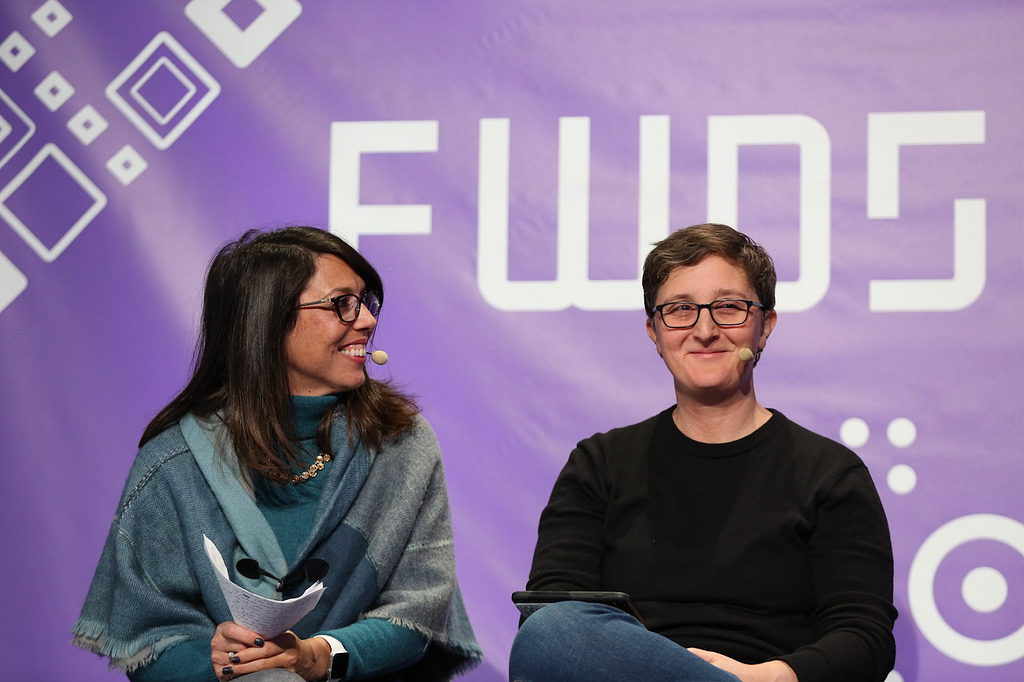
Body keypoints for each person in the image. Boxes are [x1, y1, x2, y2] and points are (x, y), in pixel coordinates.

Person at [73, 227, 482, 682]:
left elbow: (415, 614)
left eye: (366, 301)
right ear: (267, 322)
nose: (366, 320)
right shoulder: (174, 461)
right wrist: (225, 662)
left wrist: (317, 656)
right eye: (341, 303)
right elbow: (149, 640)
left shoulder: (400, 442)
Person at [509, 223, 897, 682]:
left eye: (729, 308)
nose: (705, 330)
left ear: (765, 326)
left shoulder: (829, 474)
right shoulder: (600, 465)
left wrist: (771, 676)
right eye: (680, 310)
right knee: (551, 629)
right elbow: (552, 625)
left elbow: (864, 635)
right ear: (654, 332)